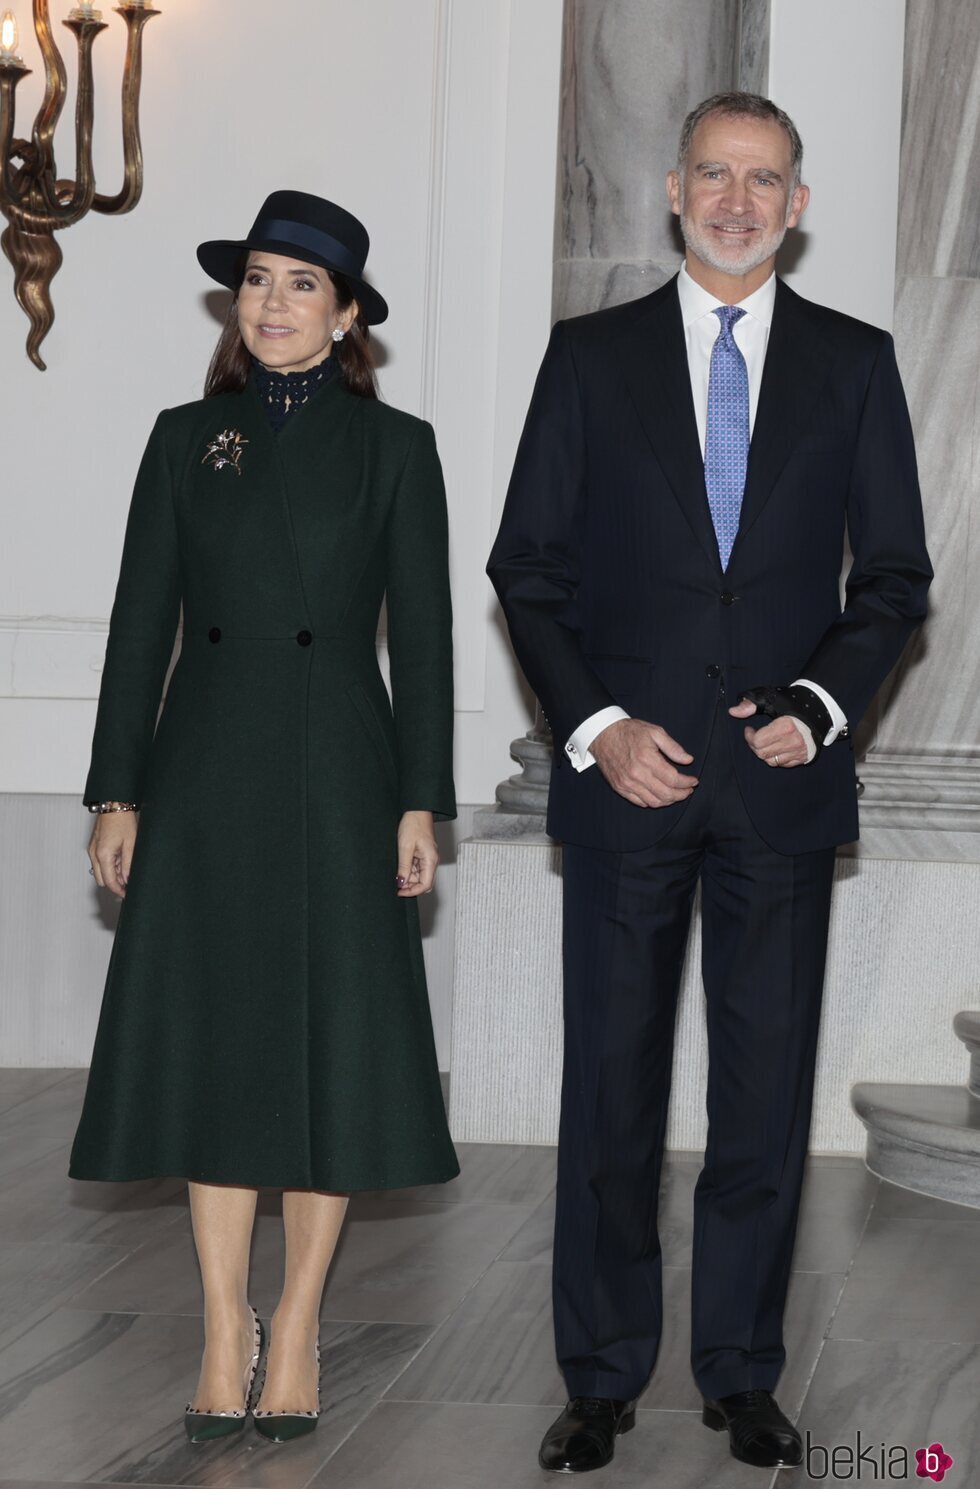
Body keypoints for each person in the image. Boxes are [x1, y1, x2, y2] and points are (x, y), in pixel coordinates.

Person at [488, 92, 931, 1473]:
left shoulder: (856, 365)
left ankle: (742, 1371)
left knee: (764, 1092)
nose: (740, 200)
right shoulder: (589, 358)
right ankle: (603, 1375)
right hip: (630, 787)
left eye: (768, 180)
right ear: (674, 191)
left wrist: (818, 704)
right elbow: (529, 572)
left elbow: (897, 581)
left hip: (783, 794)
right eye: (716, 175)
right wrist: (598, 726)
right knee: (610, 1090)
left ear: (798, 208)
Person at [70, 190, 458, 1444]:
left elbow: (433, 643)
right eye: (258, 282)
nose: (275, 304)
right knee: (221, 1052)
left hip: (342, 772)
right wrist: (116, 789)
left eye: (302, 285)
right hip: (208, 771)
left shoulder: (398, 449)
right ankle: (221, 1319)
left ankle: (295, 1325)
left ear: (346, 317)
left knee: (330, 1050)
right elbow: (142, 623)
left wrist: (420, 801)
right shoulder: (186, 437)